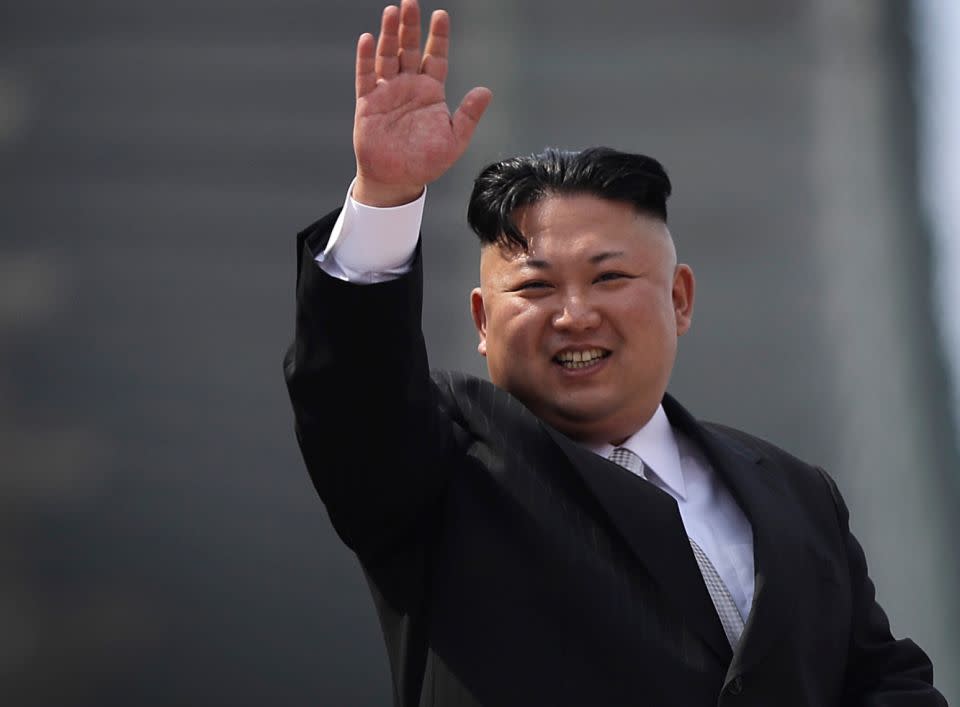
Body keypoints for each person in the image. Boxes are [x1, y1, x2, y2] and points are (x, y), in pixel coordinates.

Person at [283, 1, 947, 705]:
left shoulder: (798, 493)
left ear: (680, 298)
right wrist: (385, 197)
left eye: (609, 277)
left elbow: (881, 679)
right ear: (481, 320)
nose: (574, 314)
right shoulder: (444, 459)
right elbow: (355, 393)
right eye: (536, 286)